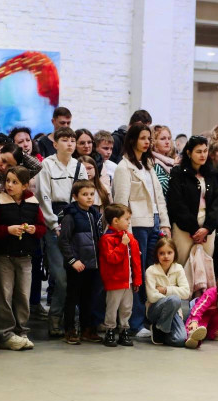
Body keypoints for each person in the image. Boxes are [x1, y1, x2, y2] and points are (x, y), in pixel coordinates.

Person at [112, 122, 172, 337]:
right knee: (136, 275)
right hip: (136, 226)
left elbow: (159, 198)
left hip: (154, 223)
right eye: (143, 138)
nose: (147, 142)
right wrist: (124, 231)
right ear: (132, 140)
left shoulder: (148, 165)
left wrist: (164, 223)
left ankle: (148, 318)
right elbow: (120, 203)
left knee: (151, 272)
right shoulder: (123, 167)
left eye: (149, 138)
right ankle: (134, 323)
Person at [35, 126, 88, 336]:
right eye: (65, 140)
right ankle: (55, 318)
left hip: (75, 222)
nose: (70, 144)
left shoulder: (79, 166)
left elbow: (85, 194)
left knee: (76, 275)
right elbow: (43, 197)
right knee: (61, 277)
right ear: (55, 144)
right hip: (54, 223)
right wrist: (53, 224)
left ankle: (69, 321)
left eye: (72, 140)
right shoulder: (46, 165)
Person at [0, 166, 46, 350]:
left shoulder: (33, 203)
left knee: (23, 295)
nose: (10, 185)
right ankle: (4, 333)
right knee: (3, 296)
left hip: (25, 257)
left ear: (25, 185)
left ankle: (21, 331)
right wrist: (8, 230)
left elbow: (42, 228)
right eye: (8, 181)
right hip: (3, 256)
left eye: (15, 182)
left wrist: (34, 230)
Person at [58, 180, 103, 345]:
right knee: (73, 298)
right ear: (75, 197)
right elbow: (63, 241)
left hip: (92, 264)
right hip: (77, 265)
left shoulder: (94, 214)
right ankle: (69, 330)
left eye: (91, 194)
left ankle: (87, 329)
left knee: (88, 298)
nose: (89, 198)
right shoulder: (70, 216)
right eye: (85, 194)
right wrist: (73, 260)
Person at [167, 135, 218, 265]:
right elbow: (176, 203)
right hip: (184, 227)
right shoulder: (178, 172)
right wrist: (194, 229)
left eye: (205, 151)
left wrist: (207, 228)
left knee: (206, 265)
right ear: (189, 153)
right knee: (182, 264)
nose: (203, 155)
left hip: (207, 226)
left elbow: (216, 202)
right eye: (198, 151)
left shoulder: (211, 173)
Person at [98, 204, 142, 347]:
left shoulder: (129, 238)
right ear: (116, 221)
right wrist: (122, 245)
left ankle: (124, 330)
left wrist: (137, 280)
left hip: (128, 282)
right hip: (114, 281)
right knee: (112, 307)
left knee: (127, 308)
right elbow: (112, 259)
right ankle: (110, 330)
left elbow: (136, 261)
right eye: (126, 219)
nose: (129, 222)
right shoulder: (107, 239)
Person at [145, 237, 190, 347]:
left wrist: (165, 290)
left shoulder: (179, 268)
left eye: (169, 252)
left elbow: (186, 293)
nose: (166, 256)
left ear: (175, 253)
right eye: (162, 253)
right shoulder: (151, 271)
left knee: (180, 340)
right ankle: (160, 327)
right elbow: (152, 297)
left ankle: (161, 331)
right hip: (154, 310)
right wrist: (172, 296)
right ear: (157, 255)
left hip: (174, 311)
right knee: (174, 299)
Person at [151, 125, 176, 197]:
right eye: (163, 139)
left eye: (169, 138)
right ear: (154, 141)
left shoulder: (172, 160)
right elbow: (166, 188)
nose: (167, 142)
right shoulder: (154, 163)